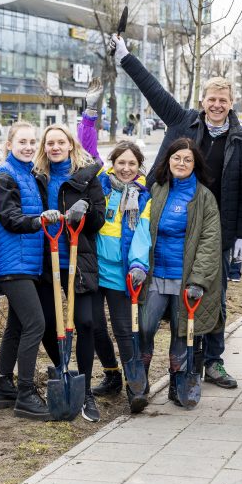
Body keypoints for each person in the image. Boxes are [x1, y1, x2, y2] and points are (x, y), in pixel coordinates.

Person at [110, 34, 242, 390]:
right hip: (169, 223)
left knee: (213, 298)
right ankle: (176, 360)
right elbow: (152, 90)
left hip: (213, 230)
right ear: (202, 101)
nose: (217, 105)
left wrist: (241, 234)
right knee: (164, 300)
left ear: (231, 102)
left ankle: (213, 361)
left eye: (223, 100)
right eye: (211, 99)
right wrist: (127, 57)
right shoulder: (183, 120)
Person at [139, 138, 223, 406]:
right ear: (169, 160)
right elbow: (142, 229)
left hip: (184, 279)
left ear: (195, 164)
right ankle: (140, 383)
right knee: (144, 327)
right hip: (155, 275)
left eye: (188, 160)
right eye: (177, 158)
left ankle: (177, 383)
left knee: (181, 332)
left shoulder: (204, 198)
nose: (182, 163)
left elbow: (210, 243)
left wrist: (198, 280)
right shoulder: (158, 189)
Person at [33, 124, 106, 422]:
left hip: (79, 259)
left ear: (70, 145)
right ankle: (64, 372)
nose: (55, 147)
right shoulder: (36, 177)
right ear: (44, 147)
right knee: (49, 324)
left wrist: (84, 210)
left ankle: (85, 388)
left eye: (60, 142)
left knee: (86, 323)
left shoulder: (86, 177)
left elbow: (99, 219)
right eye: (49, 143)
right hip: (46, 262)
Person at [0, 121, 60, 421]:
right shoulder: (4, 176)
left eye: (33, 142)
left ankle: (4, 385)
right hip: (12, 263)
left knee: (17, 327)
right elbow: (10, 218)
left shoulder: (30, 173)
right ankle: (26, 393)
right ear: (9, 144)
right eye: (22, 142)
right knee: (36, 324)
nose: (29, 147)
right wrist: (39, 220)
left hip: (26, 263)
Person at [86, 142, 153, 414]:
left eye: (132, 164)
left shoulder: (144, 196)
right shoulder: (98, 185)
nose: (126, 169)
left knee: (125, 330)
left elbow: (142, 234)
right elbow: (87, 146)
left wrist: (138, 264)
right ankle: (111, 374)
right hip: (93, 268)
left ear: (139, 167)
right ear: (111, 163)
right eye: (121, 163)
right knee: (94, 325)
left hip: (122, 272)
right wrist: (89, 116)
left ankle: (135, 386)